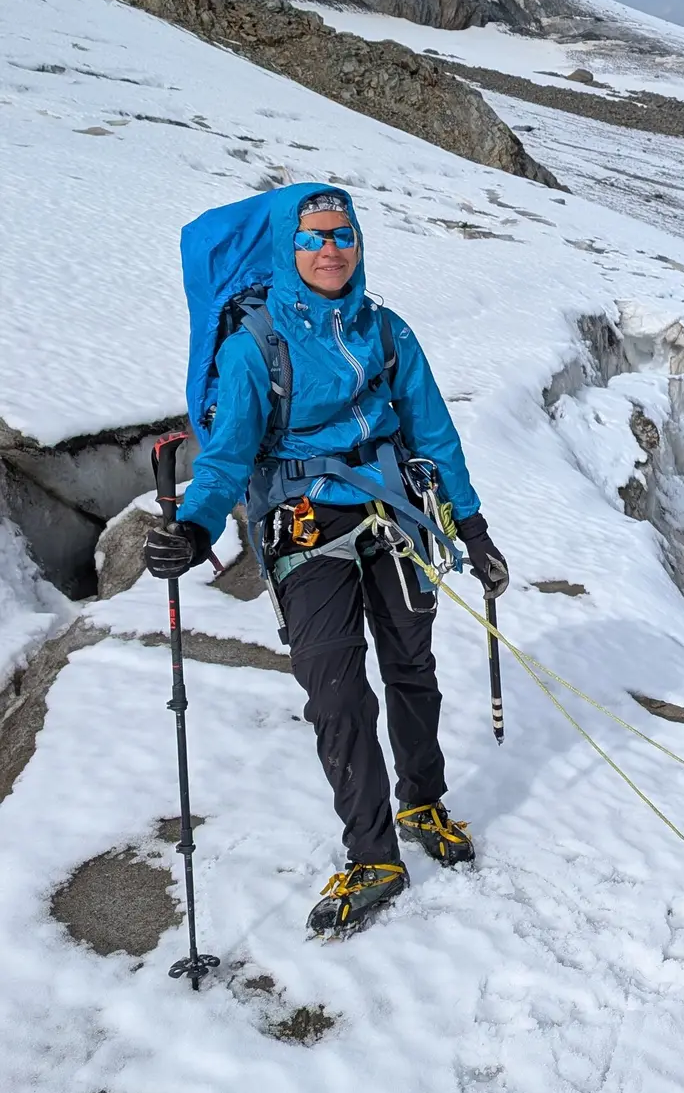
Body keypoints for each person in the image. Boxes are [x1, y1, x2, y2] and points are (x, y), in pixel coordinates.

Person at [144, 188, 510, 937]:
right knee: (336, 688)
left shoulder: (385, 329)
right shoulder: (256, 345)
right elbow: (225, 458)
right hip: (302, 517)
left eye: (342, 234)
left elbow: (433, 432)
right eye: (312, 239)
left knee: (412, 665)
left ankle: (422, 801)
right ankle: (373, 851)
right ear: (288, 248)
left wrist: (471, 526)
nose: (330, 249)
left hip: (391, 507)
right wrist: (197, 526)